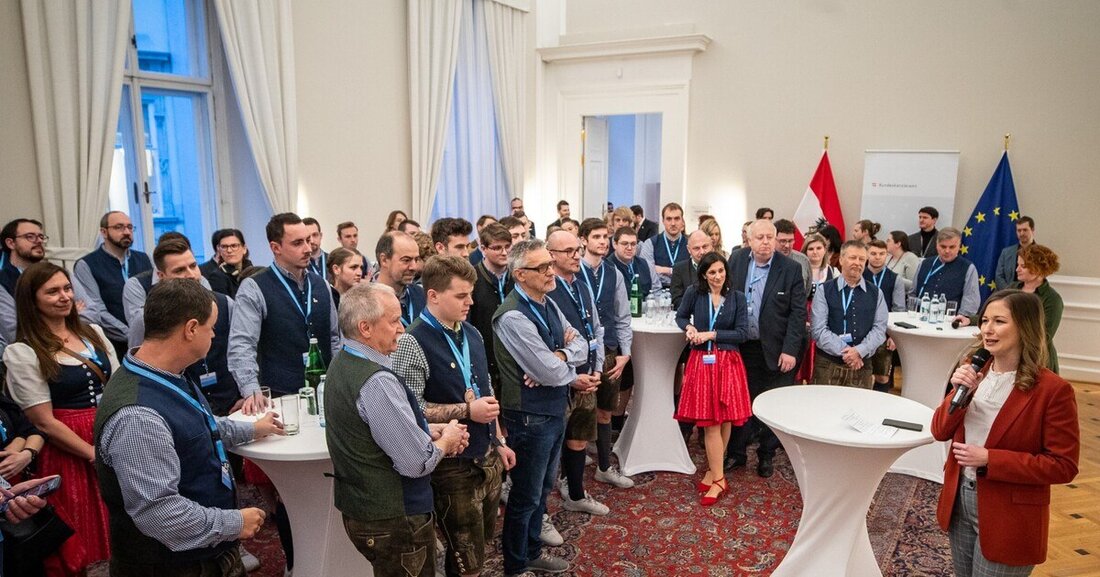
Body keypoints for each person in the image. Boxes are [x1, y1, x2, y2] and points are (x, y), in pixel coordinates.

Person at [94, 279, 283, 577]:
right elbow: (159, 513)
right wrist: (234, 523)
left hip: (207, 554)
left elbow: (194, 426)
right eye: (211, 327)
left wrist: (250, 429)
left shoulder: (167, 373)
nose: (215, 335)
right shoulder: (137, 416)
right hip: (172, 567)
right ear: (191, 328)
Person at [324, 282, 469, 577]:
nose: (402, 328)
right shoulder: (376, 380)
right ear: (365, 327)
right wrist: (447, 440)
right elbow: (416, 463)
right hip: (393, 516)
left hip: (364, 509)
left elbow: (375, 430)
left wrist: (427, 430)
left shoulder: (343, 362)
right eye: (393, 321)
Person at [933, 289, 1079, 577]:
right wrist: (957, 394)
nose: (988, 328)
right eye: (985, 320)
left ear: (1024, 327)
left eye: (999, 321)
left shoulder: (1053, 391)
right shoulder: (975, 371)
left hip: (1011, 515)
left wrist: (991, 459)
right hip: (960, 499)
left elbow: (1064, 466)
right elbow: (940, 430)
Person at [391, 256, 516, 577]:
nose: (470, 301)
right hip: (452, 466)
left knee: (480, 544)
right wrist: (466, 411)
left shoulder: (472, 332)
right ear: (433, 295)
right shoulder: (411, 342)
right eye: (461, 296)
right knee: (467, 557)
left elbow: (485, 391)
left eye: (470, 293)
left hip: (486, 455)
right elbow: (409, 411)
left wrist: (499, 440)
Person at [4, 262, 118, 576]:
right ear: (32, 300)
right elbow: (42, 421)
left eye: (66, 288)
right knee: (83, 539)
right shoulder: (23, 351)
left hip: (109, 432)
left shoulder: (92, 332)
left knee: (122, 526)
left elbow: (118, 382)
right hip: (69, 449)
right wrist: (91, 453)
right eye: (52, 291)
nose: (64, 296)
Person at [493, 239, 589, 577]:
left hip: (552, 408)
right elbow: (547, 371)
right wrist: (554, 366)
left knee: (542, 490)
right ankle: (516, 565)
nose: (551, 271)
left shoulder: (546, 301)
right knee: (525, 496)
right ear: (520, 274)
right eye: (543, 267)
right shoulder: (513, 317)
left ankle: (531, 550)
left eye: (550, 263)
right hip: (529, 416)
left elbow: (581, 343)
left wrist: (560, 357)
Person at [725, 220, 807, 477]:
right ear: (748, 240)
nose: (766, 242)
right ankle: (736, 454)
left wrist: (791, 350)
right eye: (759, 237)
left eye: (770, 237)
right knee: (740, 403)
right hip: (742, 346)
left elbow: (797, 314)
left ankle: (766, 455)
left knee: (773, 405)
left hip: (778, 348)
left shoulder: (790, 269)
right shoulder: (736, 260)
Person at [231, 213, 340, 406]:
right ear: (276, 248)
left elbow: (333, 338)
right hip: (281, 396)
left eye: (308, 240)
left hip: (326, 392)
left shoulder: (321, 284)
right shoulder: (254, 287)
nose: (308, 248)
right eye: (297, 243)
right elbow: (242, 345)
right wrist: (252, 393)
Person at [675, 251, 751, 505]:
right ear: (704, 275)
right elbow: (681, 316)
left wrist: (710, 335)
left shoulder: (737, 298)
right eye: (712, 273)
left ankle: (715, 475)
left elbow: (742, 334)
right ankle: (717, 475)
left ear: (726, 271)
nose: (718, 277)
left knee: (725, 419)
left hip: (728, 363)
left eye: (721, 271)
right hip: (702, 362)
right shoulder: (694, 294)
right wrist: (689, 328)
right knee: (710, 423)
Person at [545, 231, 609, 515]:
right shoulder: (547, 289)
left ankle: (575, 492)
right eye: (568, 251)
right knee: (555, 440)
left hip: (588, 373)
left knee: (580, 435)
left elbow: (596, 328)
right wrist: (573, 375)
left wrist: (597, 367)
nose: (575, 255)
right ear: (551, 255)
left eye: (577, 249)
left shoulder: (581, 286)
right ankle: (552, 501)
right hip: (562, 377)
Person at [577, 219, 634, 490]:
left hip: (610, 349)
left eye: (604, 237)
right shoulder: (574, 272)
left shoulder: (614, 273)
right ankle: (569, 479)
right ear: (583, 240)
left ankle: (604, 467)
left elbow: (623, 316)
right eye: (596, 236)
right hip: (581, 354)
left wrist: (626, 352)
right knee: (578, 417)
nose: (601, 241)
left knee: (605, 411)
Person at [956, 244, 1063, 373]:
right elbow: (996, 313)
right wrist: (970, 320)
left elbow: (1044, 335)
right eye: (1018, 265)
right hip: (1007, 353)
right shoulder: (1012, 288)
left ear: (1038, 268)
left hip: (1034, 359)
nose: (1017, 269)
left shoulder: (1052, 299)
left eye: (1023, 266)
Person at [73, 211, 153, 360]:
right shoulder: (86, 265)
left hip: (150, 340)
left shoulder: (143, 258)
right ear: (104, 232)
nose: (127, 232)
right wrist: (134, 335)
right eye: (119, 227)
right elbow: (97, 310)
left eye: (130, 227)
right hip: (113, 343)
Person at [810, 241, 888, 389]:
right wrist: (849, 353)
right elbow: (818, 330)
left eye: (861, 259)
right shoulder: (824, 290)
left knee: (859, 411)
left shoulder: (876, 293)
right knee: (823, 409)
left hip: (862, 366)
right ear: (841, 260)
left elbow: (879, 330)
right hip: (828, 365)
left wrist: (859, 351)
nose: (857, 263)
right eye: (853, 258)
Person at [469, 223, 514, 396]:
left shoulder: (518, 277)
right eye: (497, 248)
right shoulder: (472, 279)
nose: (504, 252)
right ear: (483, 248)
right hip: (485, 361)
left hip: (514, 361)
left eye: (507, 247)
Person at [0, 218, 48, 353]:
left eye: (41, 236)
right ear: (11, 243)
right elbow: (15, 331)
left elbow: (92, 313)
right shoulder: (3, 281)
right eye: (30, 237)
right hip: (31, 353)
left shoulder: (56, 273)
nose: (39, 241)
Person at [910, 227, 981, 317]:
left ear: (959, 246)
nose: (947, 251)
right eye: (943, 246)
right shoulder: (924, 263)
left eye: (952, 247)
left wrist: (960, 320)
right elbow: (912, 292)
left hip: (948, 321)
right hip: (919, 317)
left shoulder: (968, 268)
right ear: (937, 245)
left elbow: (970, 301)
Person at [864, 240, 905, 391]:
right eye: (873, 253)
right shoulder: (859, 274)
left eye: (882, 254)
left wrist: (894, 335)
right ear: (867, 254)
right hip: (861, 330)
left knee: (882, 376)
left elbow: (899, 309)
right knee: (860, 373)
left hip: (883, 332)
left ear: (887, 255)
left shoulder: (895, 278)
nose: (877, 257)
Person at [374, 232, 426, 327]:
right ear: (384, 260)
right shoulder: (365, 302)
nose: (414, 267)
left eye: (416, 259)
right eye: (406, 260)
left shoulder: (422, 295)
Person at [638, 202, 689, 288]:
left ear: (682, 221)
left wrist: (665, 270)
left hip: (684, 293)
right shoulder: (650, 243)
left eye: (677, 219)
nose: (673, 223)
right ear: (663, 221)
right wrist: (680, 273)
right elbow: (648, 272)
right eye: (669, 219)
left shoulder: (690, 244)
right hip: (657, 293)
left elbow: (693, 273)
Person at [201, 229, 252, 299]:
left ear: (244, 249)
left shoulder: (252, 270)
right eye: (224, 247)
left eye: (234, 246)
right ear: (219, 250)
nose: (229, 250)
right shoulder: (217, 277)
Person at [670, 230, 714, 309]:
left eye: (705, 247)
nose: (702, 252)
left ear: (711, 245)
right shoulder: (679, 269)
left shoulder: (721, 267)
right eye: (697, 248)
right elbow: (676, 300)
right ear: (689, 249)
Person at [994, 216, 1035, 291]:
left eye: (1025, 230)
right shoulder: (1006, 252)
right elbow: (999, 277)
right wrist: (1011, 294)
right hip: (1006, 295)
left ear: (1032, 230)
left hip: (1031, 296)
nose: (1022, 233)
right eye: (1019, 230)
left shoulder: (1041, 254)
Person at [772, 219, 811, 295]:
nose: (787, 245)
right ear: (773, 239)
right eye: (782, 241)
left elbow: (807, 290)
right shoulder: (766, 260)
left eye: (790, 241)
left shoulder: (803, 260)